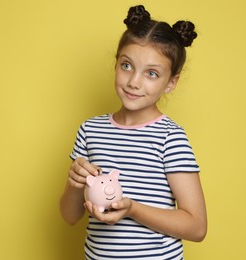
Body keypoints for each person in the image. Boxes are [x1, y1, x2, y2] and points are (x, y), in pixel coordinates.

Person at [60, 5, 207, 259]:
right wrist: (74, 184)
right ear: (116, 62)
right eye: (127, 65)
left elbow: (196, 227)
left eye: (151, 73)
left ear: (171, 82)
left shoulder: (170, 138)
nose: (134, 82)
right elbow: (69, 216)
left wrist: (132, 209)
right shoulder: (90, 130)